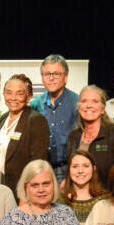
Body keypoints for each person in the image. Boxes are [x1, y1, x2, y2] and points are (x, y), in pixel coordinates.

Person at [0, 74, 50, 196]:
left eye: (19, 93)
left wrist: (27, 192)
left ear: (28, 97)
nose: (13, 98)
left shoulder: (36, 120)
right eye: (8, 93)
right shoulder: (3, 118)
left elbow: (38, 163)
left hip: (21, 189)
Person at [66, 85, 114, 187]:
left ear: (102, 109)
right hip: (80, 194)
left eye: (95, 101)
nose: (89, 105)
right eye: (84, 101)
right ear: (79, 107)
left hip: (108, 193)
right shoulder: (73, 136)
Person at [29, 55, 80, 183]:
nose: (51, 78)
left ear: (65, 77)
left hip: (69, 169)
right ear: (42, 77)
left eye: (56, 74)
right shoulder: (35, 105)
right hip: (42, 168)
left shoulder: (77, 103)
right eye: (47, 74)